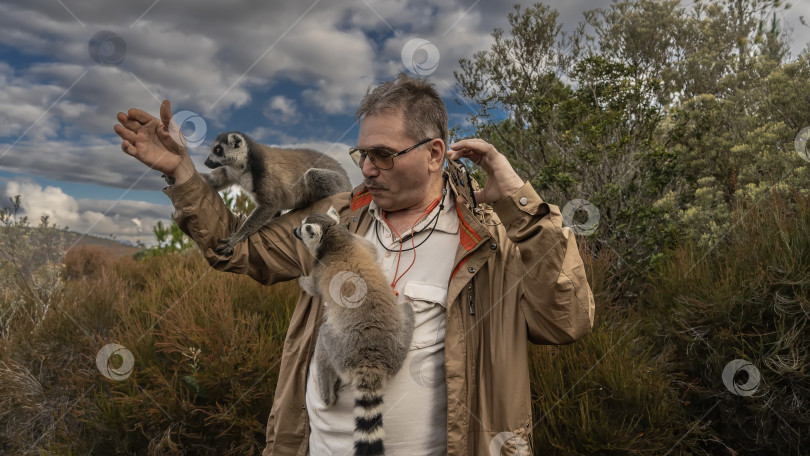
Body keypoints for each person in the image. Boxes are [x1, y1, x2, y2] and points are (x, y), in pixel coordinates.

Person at [114, 73, 595, 455]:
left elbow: (567, 320)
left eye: (384, 155)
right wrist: (182, 172)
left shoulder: (489, 237)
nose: (367, 168)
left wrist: (519, 205)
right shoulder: (335, 216)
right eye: (363, 154)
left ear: (433, 154)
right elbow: (236, 249)